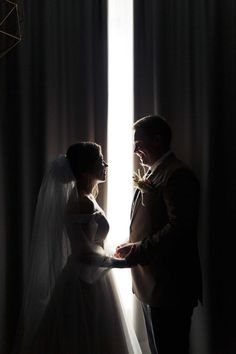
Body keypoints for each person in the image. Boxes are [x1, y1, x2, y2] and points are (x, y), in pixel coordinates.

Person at [13, 142, 141, 354]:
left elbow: (92, 245)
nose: (106, 164)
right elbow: (84, 254)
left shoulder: (89, 198)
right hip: (84, 281)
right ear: (85, 168)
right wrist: (122, 263)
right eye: (100, 161)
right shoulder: (81, 202)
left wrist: (116, 253)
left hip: (94, 277)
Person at [115, 115, 202, 354]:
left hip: (169, 286)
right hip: (151, 284)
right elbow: (152, 222)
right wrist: (131, 243)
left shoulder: (177, 174)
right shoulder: (156, 173)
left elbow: (180, 228)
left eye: (139, 143)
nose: (135, 150)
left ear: (157, 140)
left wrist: (139, 250)